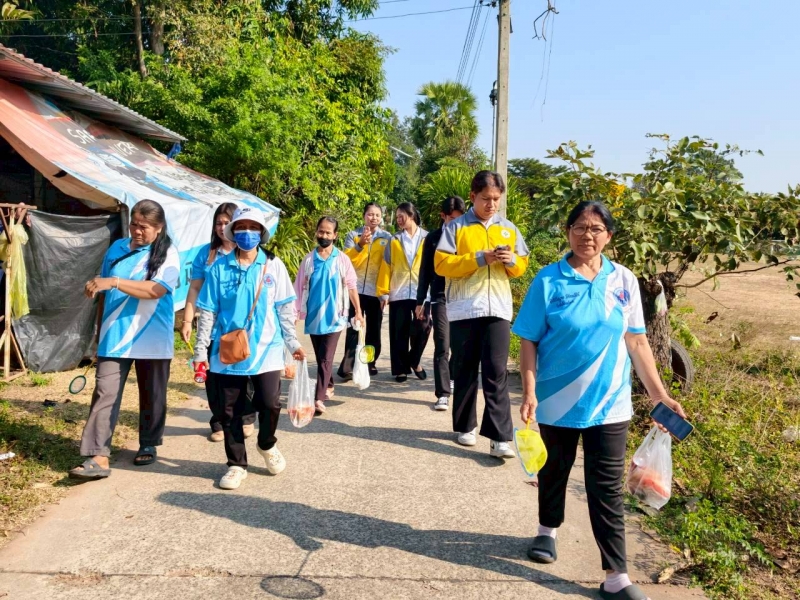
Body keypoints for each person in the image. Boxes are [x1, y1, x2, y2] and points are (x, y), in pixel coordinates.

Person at [513, 200, 687, 600]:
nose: (586, 235)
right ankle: (547, 530)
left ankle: (616, 576)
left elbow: (637, 342)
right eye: (578, 227)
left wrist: (660, 395)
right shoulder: (548, 280)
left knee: (605, 488)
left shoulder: (623, 280)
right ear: (567, 232)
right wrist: (530, 390)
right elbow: (529, 340)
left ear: (608, 235)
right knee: (553, 470)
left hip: (610, 404)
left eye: (595, 229)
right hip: (556, 400)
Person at [194, 207, 305, 490]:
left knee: (270, 403)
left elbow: (284, 309)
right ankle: (236, 464)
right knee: (229, 410)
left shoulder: (274, 266)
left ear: (261, 233)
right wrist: (200, 351)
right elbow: (207, 312)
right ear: (232, 231)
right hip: (228, 350)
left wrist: (292, 343)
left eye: (252, 227)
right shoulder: (219, 267)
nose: (246, 232)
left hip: (267, 348)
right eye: (241, 227)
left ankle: (266, 444)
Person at [69, 199, 181, 481]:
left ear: (159, 227)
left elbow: (156, 290)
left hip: (152, 337)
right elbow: (102, 293)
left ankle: (148, 443)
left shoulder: (168, 252)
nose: (137, 231)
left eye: (144, 226)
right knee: (104, 392)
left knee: (152, 394)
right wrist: (98, 334)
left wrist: (114, 282)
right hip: (114, 336)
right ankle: (98, 455)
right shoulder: (117, 249)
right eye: (134, 224)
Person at [435, 171, 529, 458]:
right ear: (472, 196)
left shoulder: (508, 229)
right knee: (465, 369)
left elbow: (523, 264)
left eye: (496, 199)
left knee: (496, 371)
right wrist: (480, 258)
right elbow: (441, 264)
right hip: (464, 308)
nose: (491, 204)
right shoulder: (456, 227)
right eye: (486, 198)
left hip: (498, 308)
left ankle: (500, 437)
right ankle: (466, 426)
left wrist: (510, 260)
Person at [181, 202, 256, 442]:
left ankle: (246, 417)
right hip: (212, 327)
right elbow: (195, 288)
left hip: (240, 327)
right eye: (218, 223)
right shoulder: (207, 254)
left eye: (226, 223)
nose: (222, 228)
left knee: (244, 374)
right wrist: (187, 320)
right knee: (213, 378)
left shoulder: (248, 251)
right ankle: (219, 421)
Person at [294, 216, 362, 415]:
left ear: (335, 235)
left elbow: (351, 286)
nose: (324, 235)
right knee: (321, 356)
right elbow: (299, 287)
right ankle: (329, 383)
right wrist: (295, 312)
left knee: (326, 357)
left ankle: (318, 398)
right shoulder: (308, 260)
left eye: (328, 232)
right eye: (321, 231)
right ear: (316, 232)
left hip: (336, 317)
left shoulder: (342, 259)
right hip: (314, 317)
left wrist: (358, 311)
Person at [416, 196, 466, 411]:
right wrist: (420, 301)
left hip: (464, 296)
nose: (456, 223)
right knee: (442, 344)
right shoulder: (433, 238)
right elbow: (425, 271)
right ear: (443, 216)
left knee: (460, 345)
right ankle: (443, 393)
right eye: (452, 219)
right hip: (440, 296)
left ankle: (452, 377)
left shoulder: (467, 236)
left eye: (460, 218)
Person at [377, 202, 431, 383]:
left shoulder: (427, 238)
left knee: (423, 327)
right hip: (398, 291)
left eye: (402, 216)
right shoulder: (394, 240)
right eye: (397, 217)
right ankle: (400, 369)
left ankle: (414, 360)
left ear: (412, 215)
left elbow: (434, 266)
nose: (398, 220)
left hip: (422, 293)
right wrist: (383, 292)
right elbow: (386, 267)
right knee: (399, 332)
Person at [338, 203, 392, 379]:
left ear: (381, 218)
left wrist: (385, 292)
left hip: (376, 292)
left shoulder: (387, 238)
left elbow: (388, 266)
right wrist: (360, 244)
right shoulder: (353, 235)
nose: (373, 218)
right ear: (364, 216)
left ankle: (369, 363)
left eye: (377, 215)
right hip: (355, 290)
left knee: (374, 331)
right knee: (353, 327)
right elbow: (345, 261)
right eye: (370, 214)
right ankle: (348, 366)